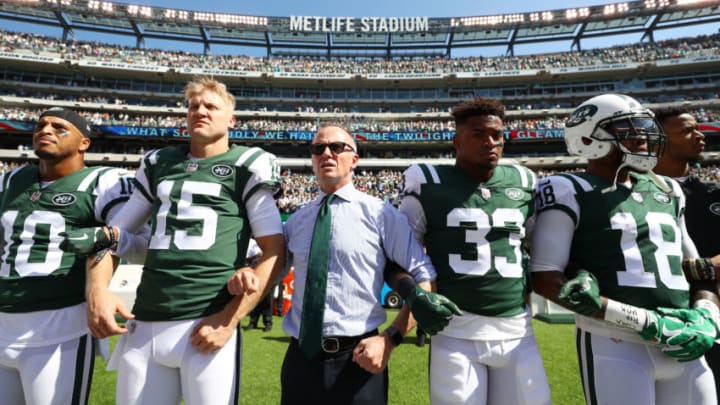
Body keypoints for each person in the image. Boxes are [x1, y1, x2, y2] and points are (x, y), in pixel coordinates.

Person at [61, 78, 286, 405]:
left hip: (208, 318)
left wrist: (229, 320)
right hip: (147, 318)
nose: (200, 112)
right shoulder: (158, 163)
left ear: (231, 120)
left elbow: (274, 251)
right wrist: (98, 290)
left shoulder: (249, 164)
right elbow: (111, 236)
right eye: (194, 106)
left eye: (211, 106)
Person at [530, 94, 719, 405]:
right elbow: (545, 276)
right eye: (627, 129)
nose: (642, 136)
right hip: (616, 341)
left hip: (683, 336)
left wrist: (707, 316)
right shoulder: (567, 189)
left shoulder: (668, 189)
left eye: (642, 127)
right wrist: (645, 322)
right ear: (589, 138)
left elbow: (697, 269)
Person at [280, 125, 460, 404]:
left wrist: (391, 339)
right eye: (318, 149)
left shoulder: (381, 214)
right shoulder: (296, 222)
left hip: (359, 358)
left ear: (354, 159)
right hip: (300, 361)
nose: (327, 153)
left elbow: (424, 276)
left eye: (337, 147)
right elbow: (272, 271)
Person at [398, 97, 551, 404]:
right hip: (456, 330)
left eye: (497, 135)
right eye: (479, 135)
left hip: (518, 329)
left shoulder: (524, 180)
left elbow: (543, 251)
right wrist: (415, 295)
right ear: (457, 141)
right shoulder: (427, 180)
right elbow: (402, 252)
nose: (490, 142)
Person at [0, 108, 144, 405]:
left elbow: (128, 240)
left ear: (84, 143)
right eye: (40, 125)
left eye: (58, 126)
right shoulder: (10, 181)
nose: (45, 130)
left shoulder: (106, 182)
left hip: (59, 322)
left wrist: (99, 289)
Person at [653, 106, 720, 399]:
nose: (699, 135)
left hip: (713, 321)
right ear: (658, 140)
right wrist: (704, 268)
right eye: (687, 131)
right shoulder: (630, 196)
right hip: (659, 321)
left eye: (697, 128)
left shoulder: (713, 195)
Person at [243, 238, 274, 332]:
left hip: (268, 274)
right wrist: (255, 256)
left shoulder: (272, 242)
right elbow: (248, 258)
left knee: (267, 301)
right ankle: (253, 322)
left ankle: (267, 323)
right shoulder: (253, 243)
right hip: (254, 272)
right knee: (254, 298)